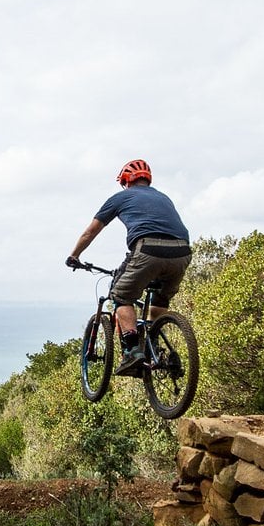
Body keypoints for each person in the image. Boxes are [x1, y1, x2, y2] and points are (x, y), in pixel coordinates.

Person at [66, 159, 192, 376]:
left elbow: (90, 232)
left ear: (125, 181)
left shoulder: (120, 197)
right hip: (182, 253)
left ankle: (133, 351)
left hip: (148, 250)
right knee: (160, 299)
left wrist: (74, 255)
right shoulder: (164, 197)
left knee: (121, 296)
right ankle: (155, 348)